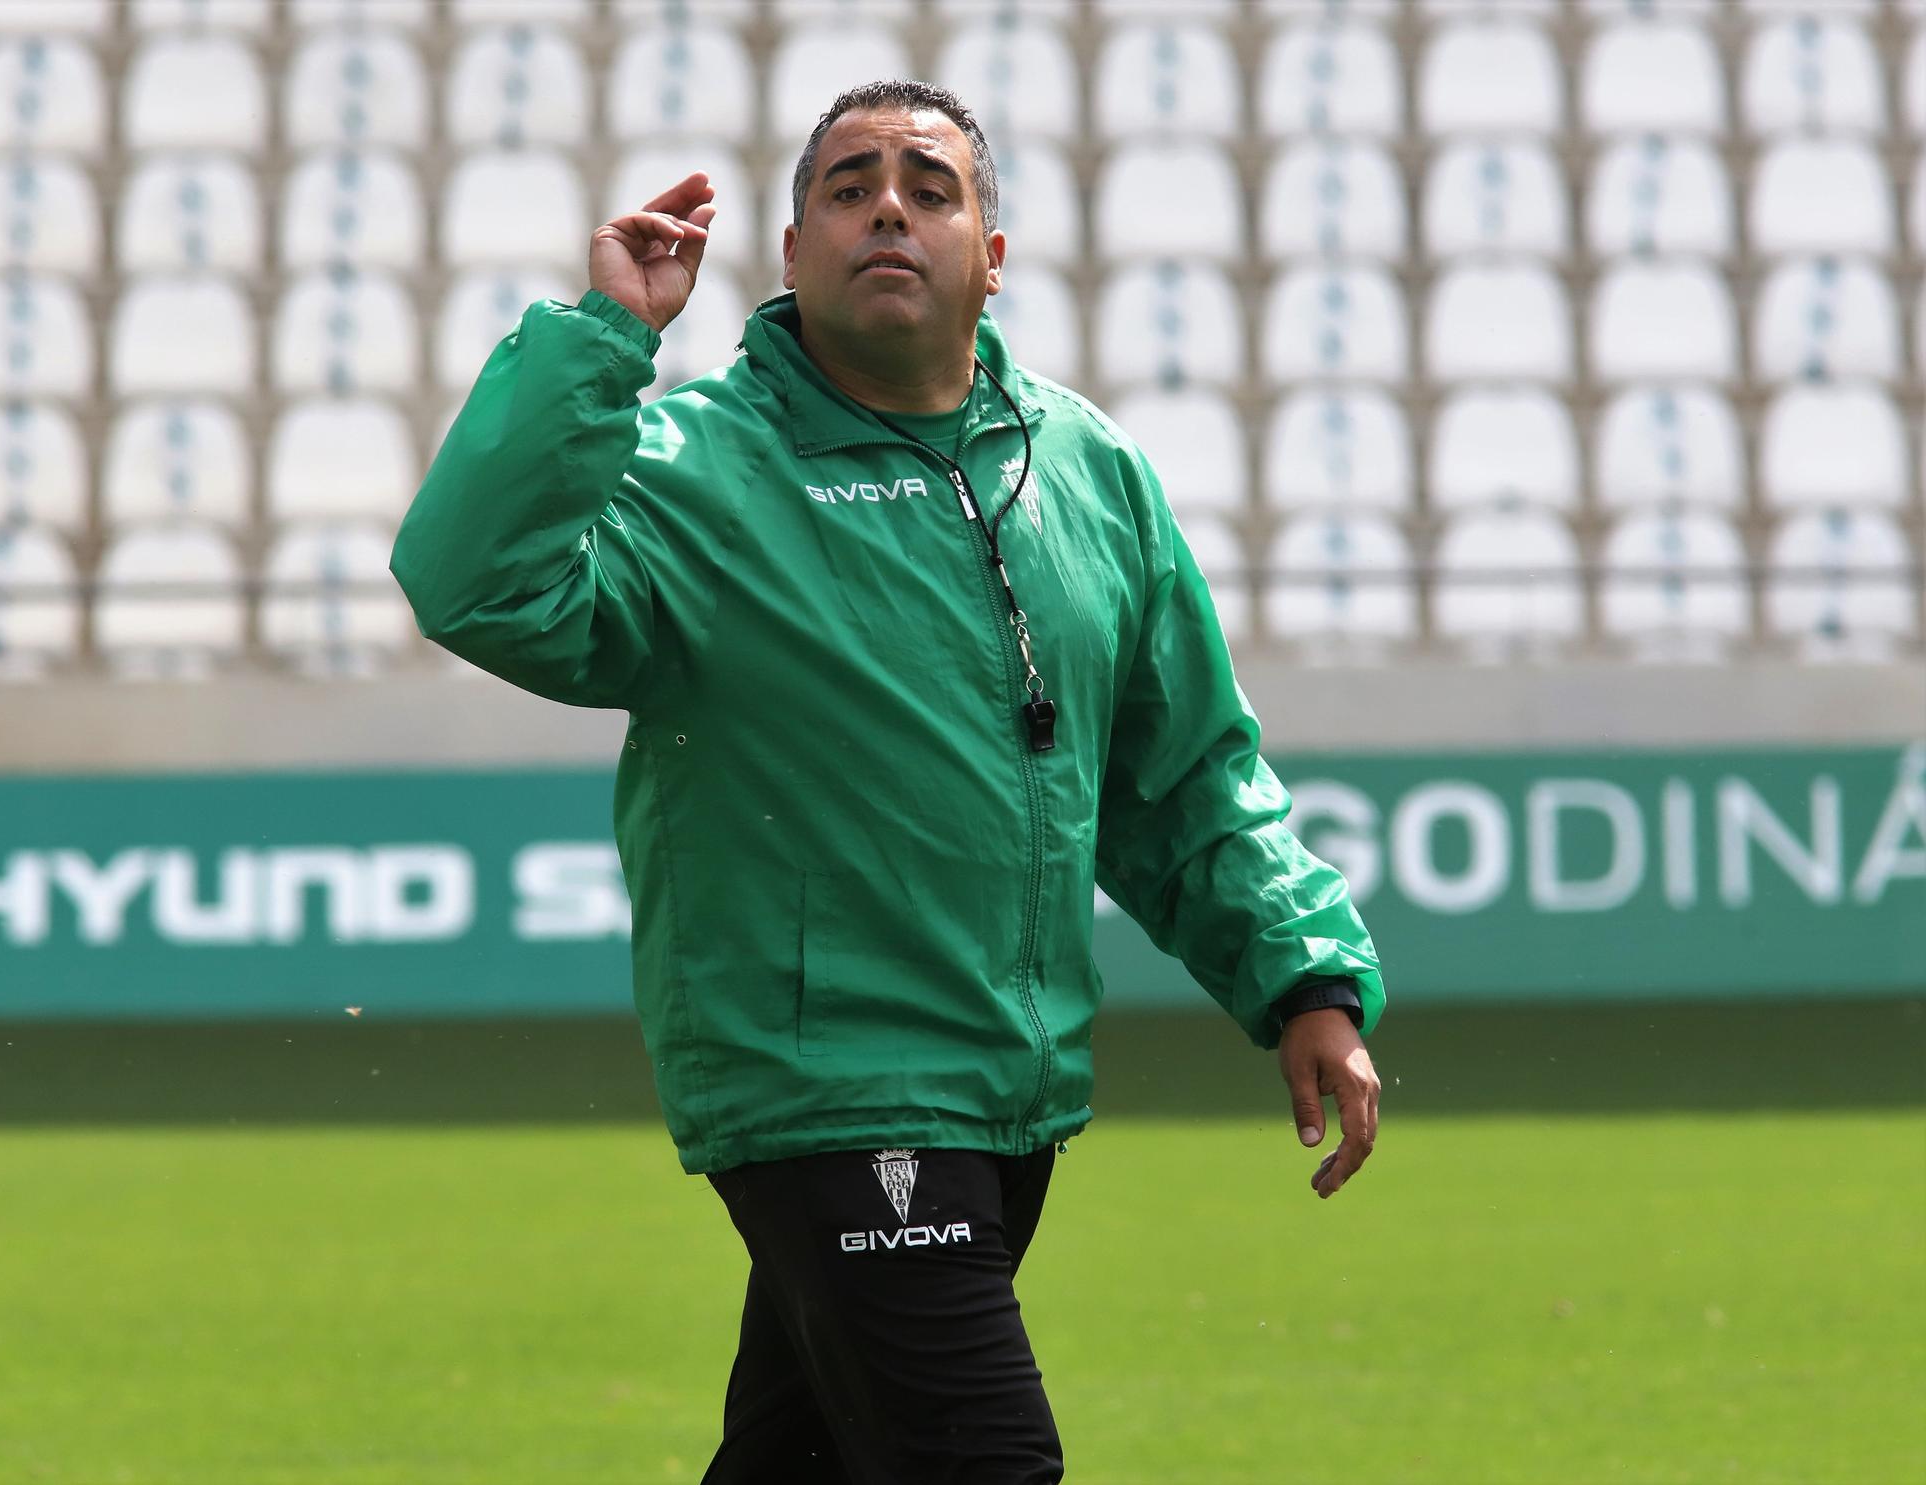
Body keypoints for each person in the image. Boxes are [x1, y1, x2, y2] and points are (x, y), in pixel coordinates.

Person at [392, 79, 1385, 1485]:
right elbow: (470, 581)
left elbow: (1186, 775)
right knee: (981, 1461)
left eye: (929, 186)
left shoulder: (1089, 471)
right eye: (848, 187)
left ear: (990, 254)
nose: (888, 208)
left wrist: (1305, 980)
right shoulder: (692, 472)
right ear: (792, 251)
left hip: (1007, 1083)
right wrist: (603, 340)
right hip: (827, 1083)